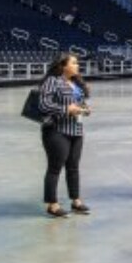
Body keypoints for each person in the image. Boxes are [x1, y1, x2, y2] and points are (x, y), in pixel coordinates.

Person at [37, 53, 92, 218]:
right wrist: (66, 109)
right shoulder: (52, 81)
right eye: (74, 63)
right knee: (55, 168)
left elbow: (79, 102)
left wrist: (84, 108)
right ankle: (52, 204)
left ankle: (76, 201)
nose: (77, 66)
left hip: (76, 129)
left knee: (73, 167)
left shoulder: (75, 83)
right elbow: (43, 104)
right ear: (63, 66)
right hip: (57, 130)